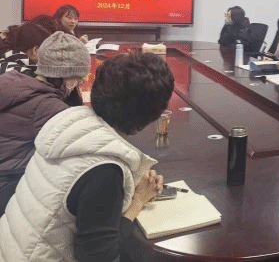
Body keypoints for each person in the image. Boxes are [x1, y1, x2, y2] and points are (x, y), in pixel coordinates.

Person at [0, 52, 174, 262]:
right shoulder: (104, 170)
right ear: (153, 114)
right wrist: (137, 201)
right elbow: (98, 257)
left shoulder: (68, 120)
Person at [0, 31, 90, 216]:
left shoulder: (15, 82)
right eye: (79, 79)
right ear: (67, 77)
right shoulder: (49, 107)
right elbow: (82, 150)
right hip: (9, 189)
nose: (80, 83)